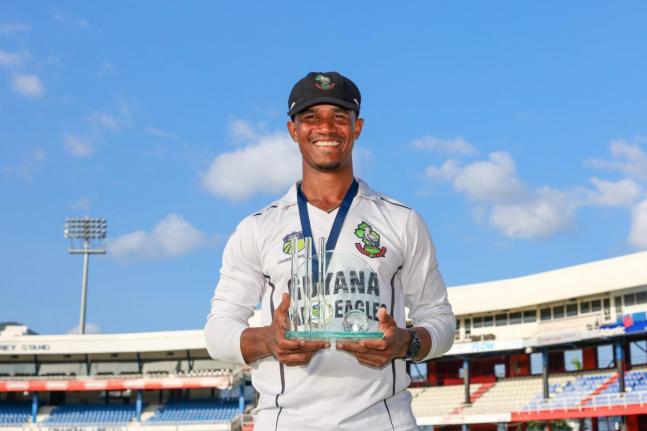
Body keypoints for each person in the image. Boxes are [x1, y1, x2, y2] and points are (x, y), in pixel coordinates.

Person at [205, 71, 455, 430]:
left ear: (357, 127)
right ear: (293, 130)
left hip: (384, 422)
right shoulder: (257, 228)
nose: (326, 127)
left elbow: (441, 320)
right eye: (311, 117)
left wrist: (406, 343)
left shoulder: (402, 221)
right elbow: (218, 331)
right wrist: (267, 340)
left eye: (339, 117)